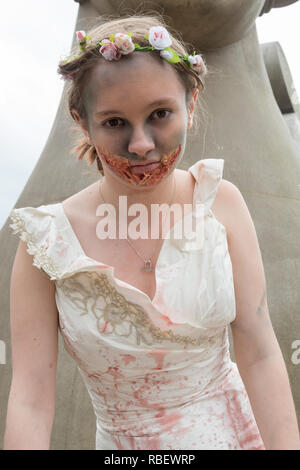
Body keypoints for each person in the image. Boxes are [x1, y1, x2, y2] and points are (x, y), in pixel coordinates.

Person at [4, 13, 300, 451]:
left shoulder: (223, 205)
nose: (141, 144)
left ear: (192, 103)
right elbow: (30, 399)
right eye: (115, 122)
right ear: (82, 122)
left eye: (160, 114)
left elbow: (259, 351)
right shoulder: (44, 247)